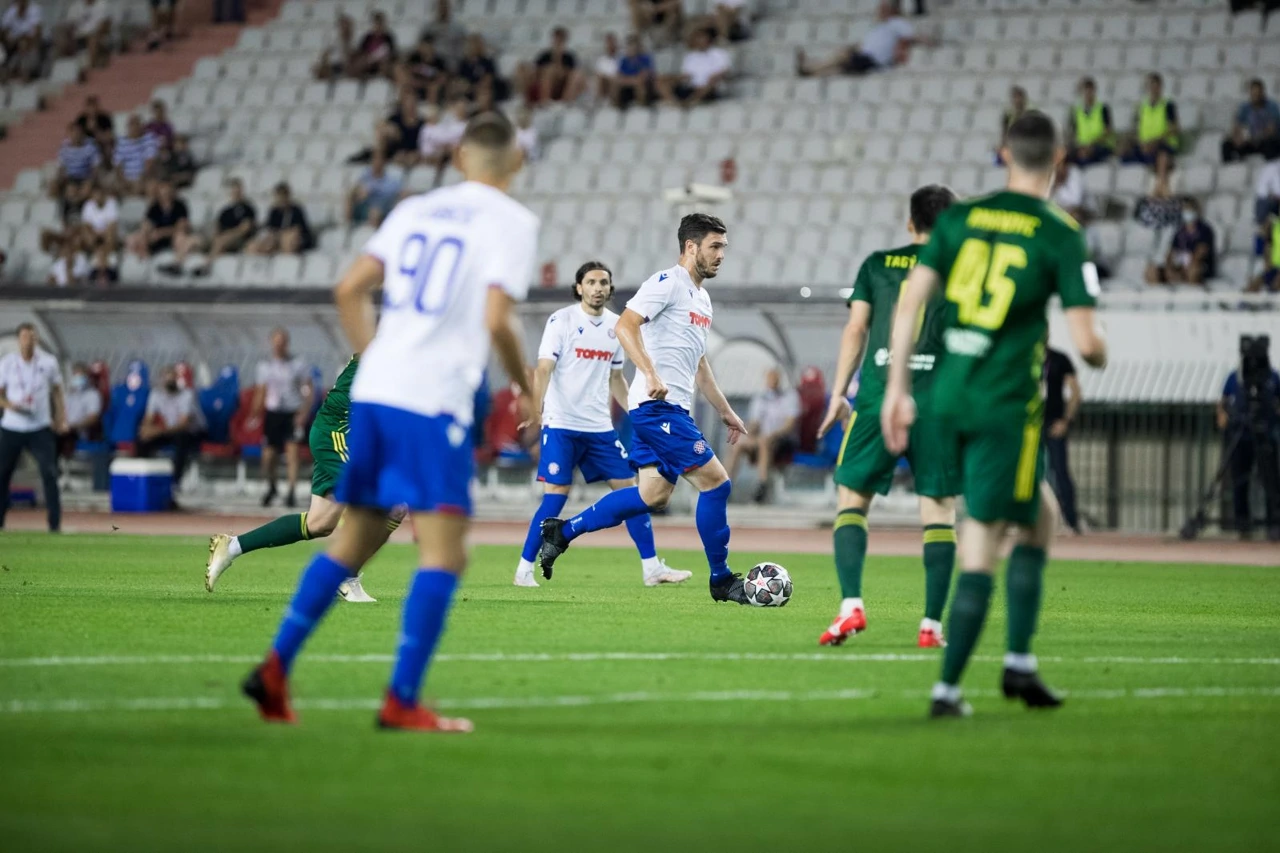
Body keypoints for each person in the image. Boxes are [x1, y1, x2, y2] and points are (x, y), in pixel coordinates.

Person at [241, 111, 538, 732]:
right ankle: (401, 699)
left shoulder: (412, 211)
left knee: (350, 539)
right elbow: (494, 321)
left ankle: (275, 668)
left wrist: (379, 359)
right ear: (516, 163)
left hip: (375, 395)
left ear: (458, 158)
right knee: (445, 553)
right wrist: (524, 389)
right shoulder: (512, 221)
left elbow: (349, 289)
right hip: (434, 404)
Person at [881, 110, 1108, 718]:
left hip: (944, 397)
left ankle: (1020, 664)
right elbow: (1087, 345)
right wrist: (1100, 348)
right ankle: (948, 690)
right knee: (981, 540)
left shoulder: (959, 219)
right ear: (1058, 160)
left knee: (1041, 517)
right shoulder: (1059, 232)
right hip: (1003, 408)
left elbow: (910, 305)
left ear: (1004, 154)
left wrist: (898, 388)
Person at [536, 214, 752, 605]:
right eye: (714, 246)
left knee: (652, 495)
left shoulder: (702, 299)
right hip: (658, 409)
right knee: (717, 484)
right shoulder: (666, 283)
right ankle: (721, 579)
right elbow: (626, 326)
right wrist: (650, 374)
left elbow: (699, 364)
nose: (722, 255)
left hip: (674, 410)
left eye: (724, 247)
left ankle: (562, 532)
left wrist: (724, 410)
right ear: (691, 247)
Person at [814, 184, 959, 650]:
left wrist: (839, 394)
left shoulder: (878, 265)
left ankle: (850, 606)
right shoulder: (964, 269)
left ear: (909, 222)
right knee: (938, 511)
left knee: (851, 501)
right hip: (937, 405)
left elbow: (856, 328)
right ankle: (931, 627)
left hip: (878, 399)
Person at [513, 261, 692, 589]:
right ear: (579, 287)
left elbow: (615, 379)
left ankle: (651, 568)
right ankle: (524, 568)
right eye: (591, 282)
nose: (598, 287)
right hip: (562, 424)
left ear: (610, 288)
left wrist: (638, 415)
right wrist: (537, 410)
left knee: (634, 494)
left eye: (604, 282)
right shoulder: (561, 321)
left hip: (599, 428)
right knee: (555, 496)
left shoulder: (616, 327)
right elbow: (543, 370)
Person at [206, 354, 398, 602]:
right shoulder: (390, 348)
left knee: (319, 523)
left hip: (354, 435)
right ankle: (344, 575)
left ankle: (231, 547)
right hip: (338, 431)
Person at [0, 323, 65, 532]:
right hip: (12, 425)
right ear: (19, 339)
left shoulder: (48, 362)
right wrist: (10, 406)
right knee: (3, 473)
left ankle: (54, 523)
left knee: (49, 472)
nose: (28, 341)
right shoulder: (8, 363)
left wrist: (60, 417)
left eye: (32, 337)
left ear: (36, 340)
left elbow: (57, 391)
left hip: (40, 425)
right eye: (25, 337)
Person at [1217, 355, 1280, 541]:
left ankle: (1273, 523)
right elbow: (1223, 402)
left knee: (1270, 481)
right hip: (1240, 435)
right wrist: (1223, 418)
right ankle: (1242, 525)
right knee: (1239, 481)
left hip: (1265, 435)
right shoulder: (1235, 377)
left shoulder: (1272, 377)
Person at [253, 327, 313, 508]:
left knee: (292, 452)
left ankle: (292, 491)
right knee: (268, 455)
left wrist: (304, 412)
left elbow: (308, 390)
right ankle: (272, 486)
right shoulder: (265, 366)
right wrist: (254, 414)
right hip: (273, 413)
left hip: (292, 412)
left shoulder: (298, 364)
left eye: (282, 342)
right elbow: (261, 391)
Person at [726, 367, 800, 504]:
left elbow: (790, 424)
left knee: (764, 441)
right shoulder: (760, 399)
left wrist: (773, 435)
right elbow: (755, 423)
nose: (773, 382)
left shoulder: (789, 397)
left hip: (782, 440)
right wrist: (744, 430)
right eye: (770, 379)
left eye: (775, 379)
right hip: (762, 438)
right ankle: (726, 484)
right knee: (739, 444)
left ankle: (762, 485)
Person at [137, 364, 203, 507]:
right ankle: (141, 479)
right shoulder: (156, 394)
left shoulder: (187, 394)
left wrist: (157, 430)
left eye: (173, 378)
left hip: (193, 432)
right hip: (169, 430)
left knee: (181, 440)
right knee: (142, 441)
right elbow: (148, 418)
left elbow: (184, 423)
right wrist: (145, 430)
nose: (170, 381)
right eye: (167, 378)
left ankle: (174, 483)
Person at [796, 1, 920, 77]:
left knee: (842, 55)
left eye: (883, 9)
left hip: (872, 59)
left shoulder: (897, 23)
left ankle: (810, 67)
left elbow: (910, 36)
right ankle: (812, 72)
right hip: (867, 58)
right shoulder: (880, 27)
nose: (880, 12)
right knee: (840, 69)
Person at [1042, 347, 1082, 535]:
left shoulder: (1059, 359)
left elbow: (1075, 391)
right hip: (1030, 424)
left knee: (1060, 471)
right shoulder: (1023, 354)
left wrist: (1066, 421)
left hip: (1053, 424)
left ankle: (1070, 520)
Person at [1121, 73, 1179, 194]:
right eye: (1151, 86)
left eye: (1156, 86)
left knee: (1161, 154)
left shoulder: (1168, 105)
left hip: (1162, 144)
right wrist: (1137, 142)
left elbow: (1174, 128)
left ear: (1160, 87)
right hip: (1144, 145)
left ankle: (1160, 182)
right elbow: (1135, 129)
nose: (1153, 89)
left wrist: (1154, 141)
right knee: (1124, 154)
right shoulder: (1142, 107)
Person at [1144, 198, 1215, 286]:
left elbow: (1201, 252)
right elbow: (1171, 252)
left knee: (1193, 270)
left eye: (1189, 210)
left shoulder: (1205, 230)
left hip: (1199, 266)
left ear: (1196, 211)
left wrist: (1186, 266)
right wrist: (1170, 267)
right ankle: (1158, 295)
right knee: (1151, 271)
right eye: (1185, 210)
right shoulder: (1180, 231)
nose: (1187, 213)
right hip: (1179, 266)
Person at [192, 178, 256, 276]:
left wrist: (228, 234)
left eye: (238, 190)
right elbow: (218, 226)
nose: (236, 193)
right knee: (196, 240)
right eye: (234, 191)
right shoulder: (226, 211)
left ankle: (206, 266)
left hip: (239, 240)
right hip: (222, 238)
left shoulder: (248, 209)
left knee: (221, 240)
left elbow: (245, 229)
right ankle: (179, 264)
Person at [655, 29, 731, 107]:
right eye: (697, 38)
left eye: (701, 37)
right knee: (661, 80)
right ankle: (675, 104)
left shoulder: (718, 53)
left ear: (708, 38)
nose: (699, 40)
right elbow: (686, 76)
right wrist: (674, 78)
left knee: (709, 84)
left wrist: (713, 77)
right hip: (692, 87)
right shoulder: (691, 56)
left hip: (710, 88)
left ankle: (691, 102)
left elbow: (725, 71)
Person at [245, 183, 313, 256]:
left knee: (287, 240)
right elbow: (269, 229)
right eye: (278, 196)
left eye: (283, 196)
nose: (281, 199)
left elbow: (297, 230)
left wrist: (279, 235)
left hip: (296, 240)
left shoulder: (296, 210)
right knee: (254, 245)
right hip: (277, 239)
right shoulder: (274, 211)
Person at [1223, 79, 1280, 164]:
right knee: (1226, 144)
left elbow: (1272, 129)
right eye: (1253, 93)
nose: (1255, 96)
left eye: (1257, 93)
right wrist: (1238, 137)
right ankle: (1230, 170)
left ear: (1262, 93)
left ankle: (1270, 170)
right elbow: (1237, 125)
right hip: (1249, 142)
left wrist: (1258, 137)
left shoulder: (1271, 106)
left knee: (1270, 144)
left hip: (1265, 141)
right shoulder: (1245, 108)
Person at [347, 148, 403, 227]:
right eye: (374, 160)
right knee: (348, 196)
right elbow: (358, 190)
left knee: (375, 212)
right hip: (365, 205)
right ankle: (347, 226)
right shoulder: (365, 175)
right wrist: (360, 192)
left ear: (384, 162)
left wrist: (372, 192)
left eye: (379, 160)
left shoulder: (391, 181)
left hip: (381, 208)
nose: (376, 162)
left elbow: (393, 194)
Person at [1067, 77, 1114, 167]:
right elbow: (1073, 133)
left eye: (1090, 91)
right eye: (1085, 91)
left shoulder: (1103, 108)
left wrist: (1091, 145)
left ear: (1094, 91)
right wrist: (1080, 146)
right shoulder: (1076, 111)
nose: (1087, 94)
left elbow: (1108, 131)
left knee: (1088, 154)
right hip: (1082, 146)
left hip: (1101, 145)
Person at [613, 34, 655, 108]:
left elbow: (643, 77)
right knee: (615, 85)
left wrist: (628, 80)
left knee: (640, 86)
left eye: (634, 46)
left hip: (642, 85)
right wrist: (631, 81)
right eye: (629, 46)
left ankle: (641, 105)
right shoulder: (624, 60)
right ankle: (616, 106)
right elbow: (618, 77)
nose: (631, 48)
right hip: (628, 85)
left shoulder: (645, 59)